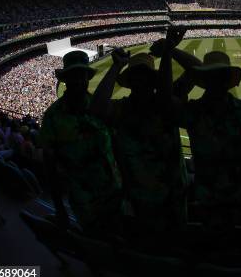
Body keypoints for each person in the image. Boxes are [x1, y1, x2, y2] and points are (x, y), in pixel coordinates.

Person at [90, 27, 188, 241]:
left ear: (153, 80)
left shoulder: (165, 105)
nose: (141, 81)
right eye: (136, 76)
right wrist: (116, 67)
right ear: (131, 81)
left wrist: (171, 50)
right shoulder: (123, 109)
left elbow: (198, 72)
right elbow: (97, 109)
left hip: (170, 196)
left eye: (145, 76)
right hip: (139, 198)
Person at [166, 47, 241, 230]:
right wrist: (172, 51)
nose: (217, 81)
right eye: (212, 76)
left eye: (219, 76)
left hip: (239, 197)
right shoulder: (196, 112)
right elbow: (169, 98)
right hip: (215, 200)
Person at [40, 51, 125, 237]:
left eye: (82, 76)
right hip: (84, 201)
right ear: (65, 80)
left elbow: (117, 145)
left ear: (87, 78)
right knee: (96, 245)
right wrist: (59, 207)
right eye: (73, 76)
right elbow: (50, 165)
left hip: (115, 191)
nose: (78, 81)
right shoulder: (52, 117)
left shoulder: (101, 106)